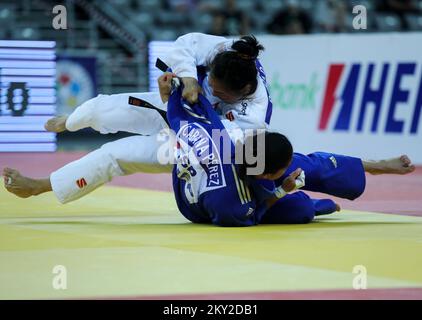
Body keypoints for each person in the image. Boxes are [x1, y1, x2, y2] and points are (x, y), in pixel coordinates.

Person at [3, 73, 416, 227]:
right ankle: (59, 147)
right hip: (188, 168)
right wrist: (175, 87)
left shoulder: (239, 148)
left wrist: (379, 165)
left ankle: (40, 184)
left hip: (198, 179)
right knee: (302, 204)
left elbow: (315, 169)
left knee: (304, 191)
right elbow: (187, 118)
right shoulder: (226, 158)